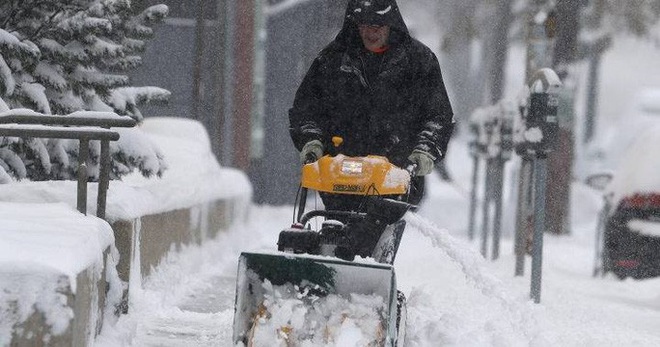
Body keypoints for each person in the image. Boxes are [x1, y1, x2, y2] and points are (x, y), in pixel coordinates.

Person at [288, 0, 454, 258]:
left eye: (378, 25)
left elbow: (438, 115)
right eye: (364, 24)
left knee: (374, 228)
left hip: (395, 172)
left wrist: (424, 151)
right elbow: (307, 108)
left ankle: (354, 257)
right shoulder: (333, 60)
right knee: (336, 227)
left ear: (391, 25)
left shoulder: (418, 63)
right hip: (340, 169)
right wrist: (311, 141)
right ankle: (337, 261)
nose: (370, 32)